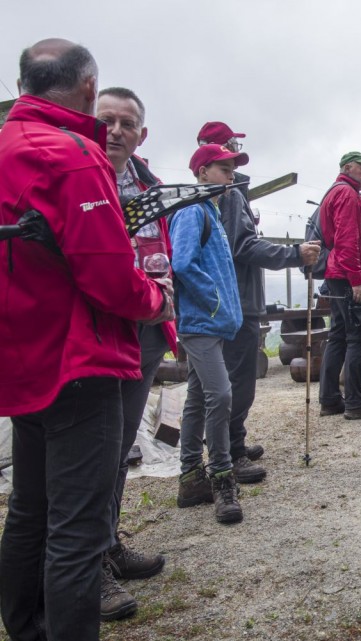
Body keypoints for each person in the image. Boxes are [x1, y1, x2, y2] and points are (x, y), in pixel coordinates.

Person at [0, 39, 173, 641]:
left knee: (30, 510)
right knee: (76, 528)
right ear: (86, 88)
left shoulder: (6, 144)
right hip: (81, 361)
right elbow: (106, 274)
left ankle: (26, 628)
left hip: (22, 356)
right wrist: (155, 301)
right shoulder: (73, 155)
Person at [95, 86, 177, 620]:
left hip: (145, 326)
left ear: (142, 134)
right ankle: (87, 567)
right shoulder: (81, 174)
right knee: (93, 450)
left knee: (122, 444)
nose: (117, 131)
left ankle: (107, 545)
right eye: (107, 120)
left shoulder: (149, 182)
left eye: (128, 123)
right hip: (98, 331)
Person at [211, 127, 321, 484]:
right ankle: (229, 452)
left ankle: (234, 443)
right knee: (238, 379)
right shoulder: (228, 193)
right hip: (238, 300)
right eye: (232, 146)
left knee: (236, 378)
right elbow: (242, 245)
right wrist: (293, 254)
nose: (235, 151)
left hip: (238, 298)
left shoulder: (229, 191)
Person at [171, 145, 245, 524]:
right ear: (201, 171)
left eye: (232, 170)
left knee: (198, 397)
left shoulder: (211, 212)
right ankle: (221, 477)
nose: (230, 175)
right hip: (201, 322)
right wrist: (214, 300)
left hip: (211, 322)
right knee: (221, 393)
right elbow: (182, 262)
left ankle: (189, 479)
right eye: (223, 168)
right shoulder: (191, 210)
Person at [317, 152, 361, 419]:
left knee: (337, 336)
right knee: (359, 338)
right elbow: (347, 240)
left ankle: (330, 399)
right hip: (348, 276)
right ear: (347, 167)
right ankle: (356, 402)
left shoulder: (338, 192)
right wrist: (358, 281)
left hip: (338, 274)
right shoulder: (347, 194)